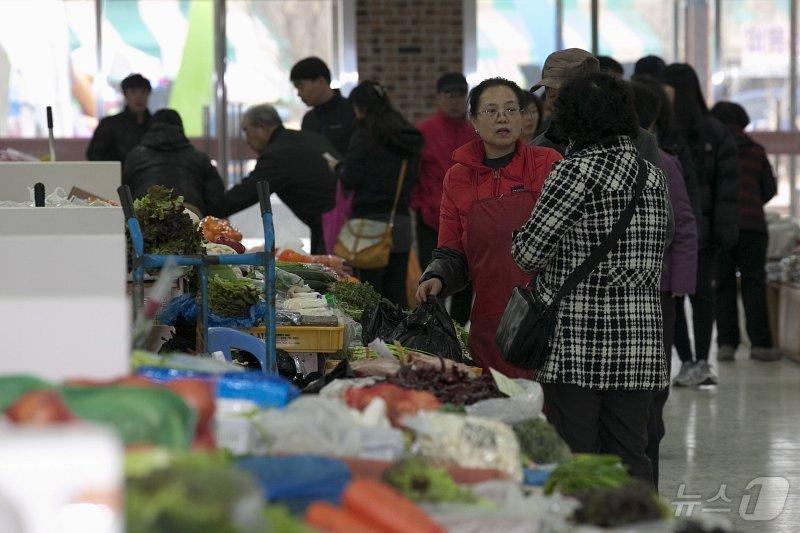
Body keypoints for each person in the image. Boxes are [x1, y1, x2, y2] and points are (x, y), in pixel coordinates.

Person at [512, 73, 670, 485]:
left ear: (572, 117)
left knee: (577, 457)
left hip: (578, 342)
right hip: (639, 341)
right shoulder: (650, 175)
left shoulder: (573, 173)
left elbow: (528, 254)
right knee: (631, 454)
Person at [415, 78, 562, 378]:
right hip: (490, 322)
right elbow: (453, 250)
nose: (503, 117)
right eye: (491, 110)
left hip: (549, 320)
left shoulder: (548, 163)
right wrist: (437, 276)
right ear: (474, 121)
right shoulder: (458, 177)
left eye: (511, 109)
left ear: (523, 117)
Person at [631, 80, 698, 488]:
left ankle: (650, 434)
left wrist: (679, 282)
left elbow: (684, 226)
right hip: (639, 288)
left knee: (654, 379)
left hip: (659, 290)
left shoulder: (664, 162)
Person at [660, 64, 741, 386]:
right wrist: (724, 229)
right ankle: (701, 361)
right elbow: (729, 187)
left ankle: (691, 361)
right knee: (701, 296)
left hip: (679, 231)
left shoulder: (670, 134)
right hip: (704, 230)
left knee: (677, 296)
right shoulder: (713, 130)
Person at [337, 81, 424, 306]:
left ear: (362, 107)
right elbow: (413, 179)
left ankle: (371, 341)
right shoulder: (408, 137)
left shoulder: (364, 136)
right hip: (400, 222)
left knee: (368, 297)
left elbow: (351, 178)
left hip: (368, 227)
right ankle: (396, 340)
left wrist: (338, 168)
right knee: (396, 295)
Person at [217, 104, 336, 254]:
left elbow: (245, 193)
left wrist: (204, 209)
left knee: (334, 274)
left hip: (332, 225)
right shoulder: (306, 138)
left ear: (262, 127)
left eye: (246, 131)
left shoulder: (279, 154)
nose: (247, 141)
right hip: (342, 216)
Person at [711, 101, 779, 362]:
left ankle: (727, 345)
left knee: (724, 285)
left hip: (722, 226)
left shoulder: (714, 150)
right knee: (754, 284)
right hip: (753, 226)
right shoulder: (756, 150)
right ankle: (761, 345)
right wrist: (750, 205)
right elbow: (769, 188)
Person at [531, 49, 666, 171]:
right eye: (550, 94)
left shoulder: (639, 141)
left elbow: (657, 195)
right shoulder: (538, 148)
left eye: (564, 93)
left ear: (593, 90)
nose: (555, 102)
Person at [411, 72, 477, 324]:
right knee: (430, 280)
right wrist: (418, 203)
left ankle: (457, 336)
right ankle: (430, 331)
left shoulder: (474, 133)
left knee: (464, 282)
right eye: (448, 94)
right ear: (439, 97)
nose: (454, 100)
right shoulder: (424, 132)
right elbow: (413, 174)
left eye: (459, 94)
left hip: (466, 220)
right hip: (430, 217)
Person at [123, 109, 225, 217]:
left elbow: (123, 197)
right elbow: (216, 202)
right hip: (191, 218)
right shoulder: (199, 158)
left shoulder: (135, 157)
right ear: (181, 129)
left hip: (145, 223)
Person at [291, 56, 356, 156]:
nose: (298, 94)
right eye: (297, 88)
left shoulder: (351, 111)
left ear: (321, 81)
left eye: (301, 86)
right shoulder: (309, 119)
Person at [87, 73, 152, 164]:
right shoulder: (109, 124)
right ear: (125, 95)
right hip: (118, 176)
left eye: (143, 92)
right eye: (133, 92)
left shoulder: (156, 124)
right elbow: (94, 155)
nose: (139, 97)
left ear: (148, 94)